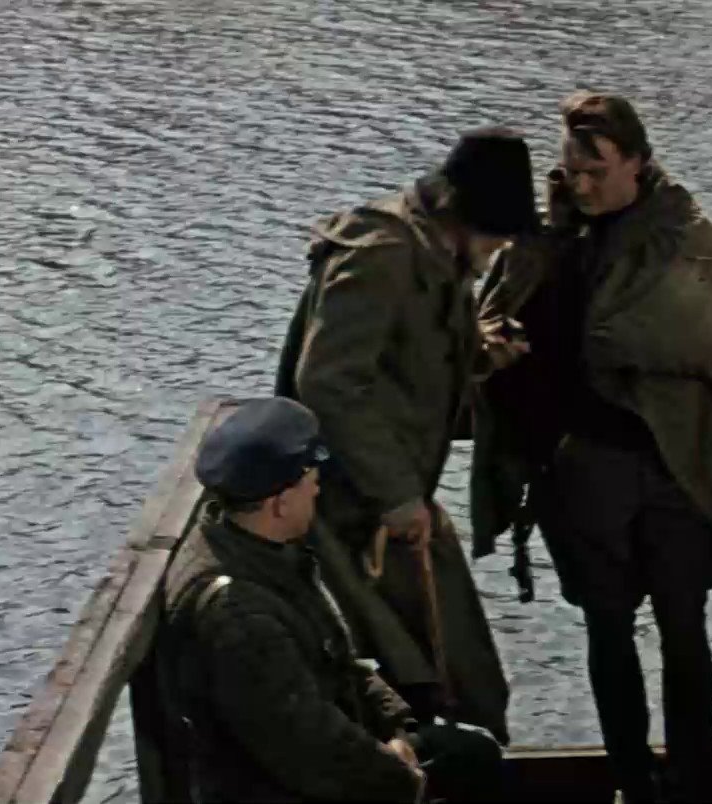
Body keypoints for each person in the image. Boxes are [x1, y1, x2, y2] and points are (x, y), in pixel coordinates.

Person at [471, 91, 712, 803]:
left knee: (683, 626)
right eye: (572, 171)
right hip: (580, 465)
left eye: (597, 171)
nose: (582, 186)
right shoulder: (543, 239)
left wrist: (614, 340)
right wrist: (497, 343)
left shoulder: (681, 235)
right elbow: (493, 316)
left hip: (674, 465)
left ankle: (693, 780)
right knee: (606, 629)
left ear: (637, 162)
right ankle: (631, 779)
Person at [273, 126, 537, 747]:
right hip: (348, 513)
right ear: (467, 218)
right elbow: (328, 383)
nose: (499, 250)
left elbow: (406, 352)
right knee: (401, 680)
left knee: (458, 674)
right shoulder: (383, 254)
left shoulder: (434, 250)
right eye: (498, 235)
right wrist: (396, 495)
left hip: (388, 508)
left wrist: (480, 354)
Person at [158, 397, 502, 803]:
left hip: (321, 750)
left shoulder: (258, 547)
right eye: (310, 481)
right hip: (277, 787)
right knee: (467, 770)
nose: (318, 488)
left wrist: (398, 724)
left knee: (471, 755)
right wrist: (404, 778)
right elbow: (307, 748)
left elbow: (339, 662)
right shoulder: (240, 617)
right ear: (280, 503)